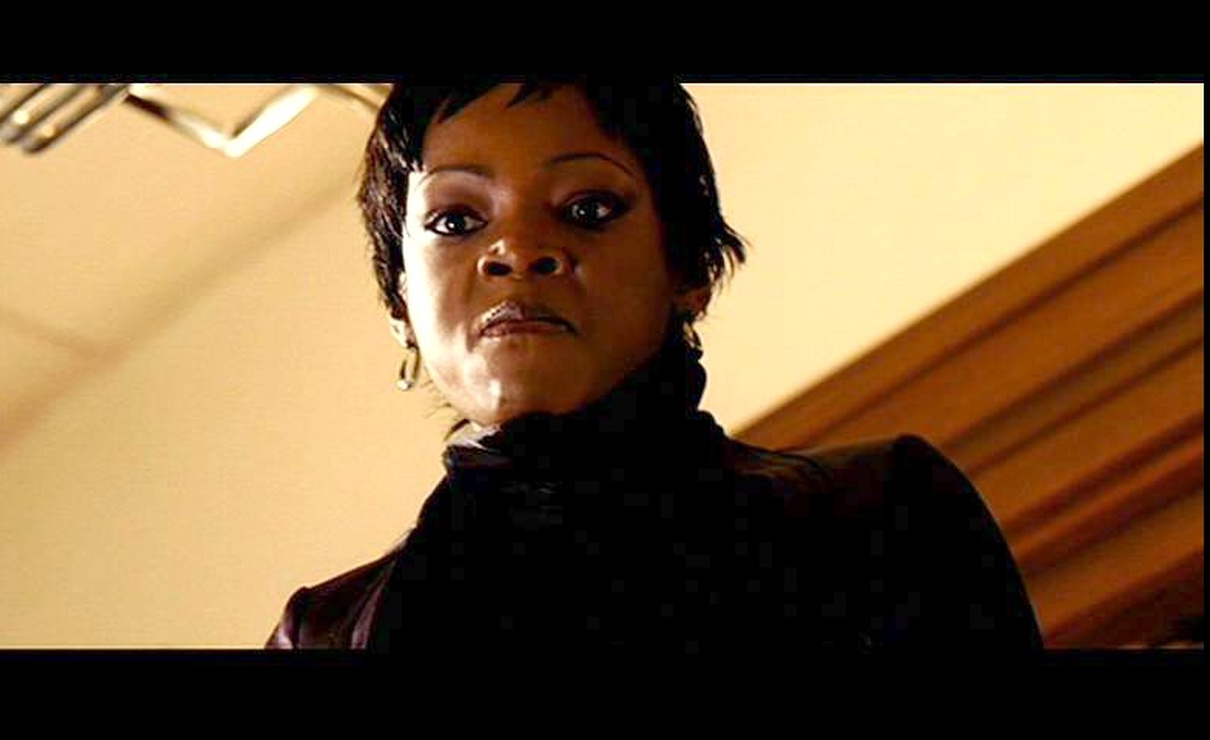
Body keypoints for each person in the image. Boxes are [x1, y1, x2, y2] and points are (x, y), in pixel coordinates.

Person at [265, 77, 1044, 655]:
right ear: (400, 300)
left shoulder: (876, 513)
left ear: (689, 267)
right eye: (456, 219)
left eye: (588, 209)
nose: (517, 251)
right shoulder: (324, 634)